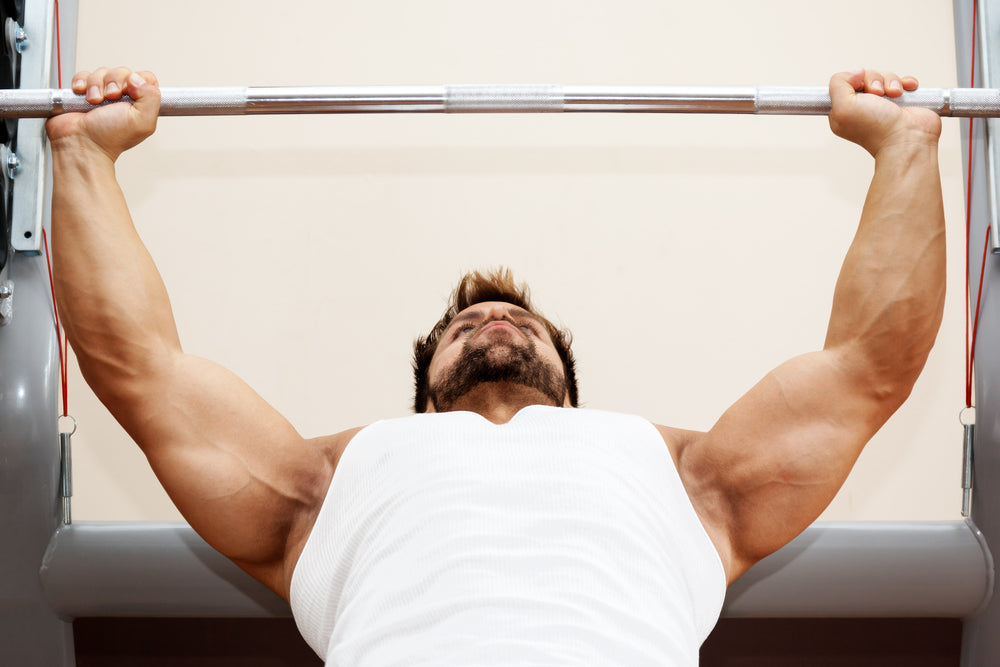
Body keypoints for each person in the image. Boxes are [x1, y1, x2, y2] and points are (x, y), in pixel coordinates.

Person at [46, 67, 945, 665]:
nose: (492, 321)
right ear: (422, 389)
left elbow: (868, 365)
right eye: (463, 322)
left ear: (573, 381)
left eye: (519, 318)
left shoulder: (686, 479)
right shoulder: (324, 485)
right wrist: (82, 152)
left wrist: (904, 143)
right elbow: (139, 367)